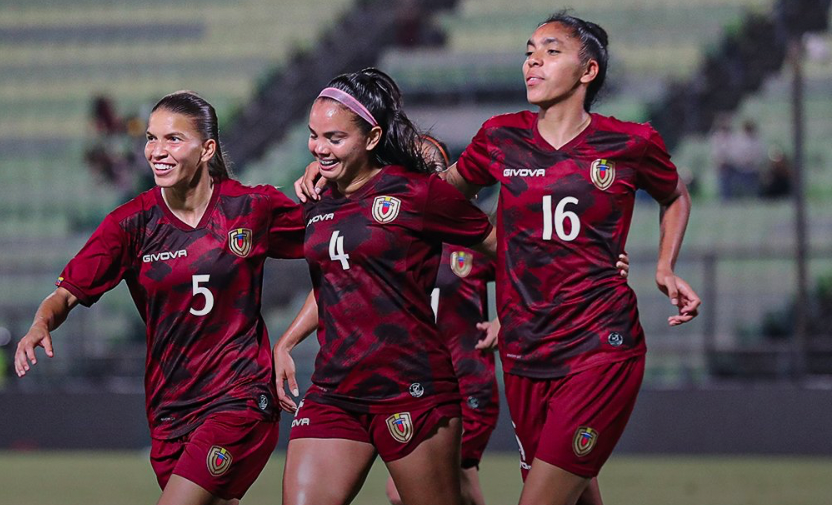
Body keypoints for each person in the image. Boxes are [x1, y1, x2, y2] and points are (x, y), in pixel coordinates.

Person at [296, 12, 700, 505]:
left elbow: (675, 195)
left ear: (587, 71)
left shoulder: (631, 141)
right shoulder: (500, 137)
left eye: (551, 51)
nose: (533, 60)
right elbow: (430, 194)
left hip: (601, 342)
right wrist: (336, 170)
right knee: (574, 493)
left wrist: (664, 266)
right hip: (526, 351)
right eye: (529, 50)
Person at [14, 91, 305, 505]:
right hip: (171, 409)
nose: (156, 151)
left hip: (240, 397)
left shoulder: (249, 208)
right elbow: (63, 295)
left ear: (206, 149)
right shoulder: (130, 223)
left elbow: (334, 241)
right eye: (151, 139)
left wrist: (290, 339)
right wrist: (40, 323)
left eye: (172, 139)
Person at [273, 68, 497, 505]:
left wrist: (583, 269)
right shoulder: (320, 200)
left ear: (372, 138)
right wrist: (286, 340)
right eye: (313, 135)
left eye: (334, 137)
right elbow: (336, 280)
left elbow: (503, 245)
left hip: (411, 387)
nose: (319, 147)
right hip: (334, 389)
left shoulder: (416, 194)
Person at [384, 135, 500, 505]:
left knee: (410, 492)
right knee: (458, 489)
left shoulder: (472, 234)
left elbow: (535, 269)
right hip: (418, 383)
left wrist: (506, 320)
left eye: (431, 166)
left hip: (467, 382)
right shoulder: (394, 236)